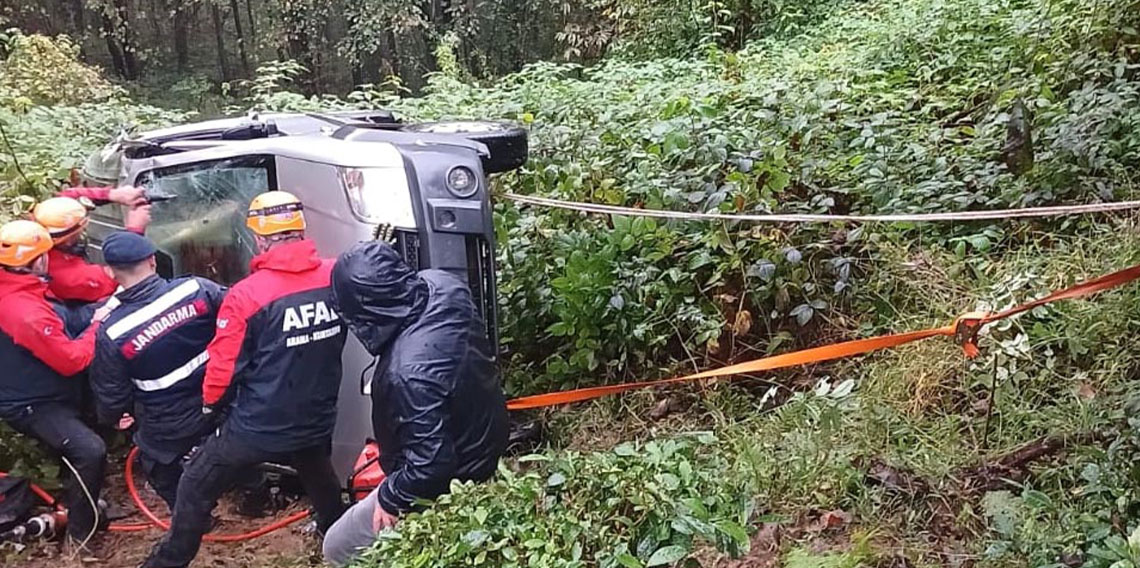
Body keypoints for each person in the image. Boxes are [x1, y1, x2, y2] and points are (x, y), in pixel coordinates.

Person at [141, 191, 348, 568]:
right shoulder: (337, 277)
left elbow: (224, 367)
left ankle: (166, 562)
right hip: (317, 415)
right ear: (300, 231)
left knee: (195, 483)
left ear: (260, 238)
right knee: (318, 474)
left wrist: (209, 405)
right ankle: (340, 540)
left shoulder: (246, 295)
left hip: (258, 425)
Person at [322, 240, 509, 567]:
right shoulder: (444, 284)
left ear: (362, 311)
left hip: (459, 476)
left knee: (337, 546)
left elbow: (431, 466)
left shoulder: (405, 374)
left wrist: (392, 498)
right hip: (485, 439)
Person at [89, 231, 226, 509]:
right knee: (233, 448)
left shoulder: (113, 332)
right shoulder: (197, 289)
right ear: (152, 261)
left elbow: (112, 394)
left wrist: (115, 418)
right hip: (223, 401)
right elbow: (239, 313)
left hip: (169, 423)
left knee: (156, 465)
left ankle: (195, 517)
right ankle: (256, 496)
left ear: (110, 273)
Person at [0, 220, 108, 547]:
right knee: (90, 451)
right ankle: (80, 536)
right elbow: (71, 359)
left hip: (41, 386)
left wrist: (95, 310)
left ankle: (80, 502)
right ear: (38, 260)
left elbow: (62, 316)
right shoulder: (23, 311)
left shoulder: (21, 287)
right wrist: (98, 326)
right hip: (33, 402)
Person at [33, 190, 151, 304]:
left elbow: (65, 197)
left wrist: (112, 194)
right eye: (80, 231)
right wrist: (135, 230)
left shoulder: (33, 230)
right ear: (67, 240)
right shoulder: (71, 277)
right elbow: (121, 274)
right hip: (76, 308)